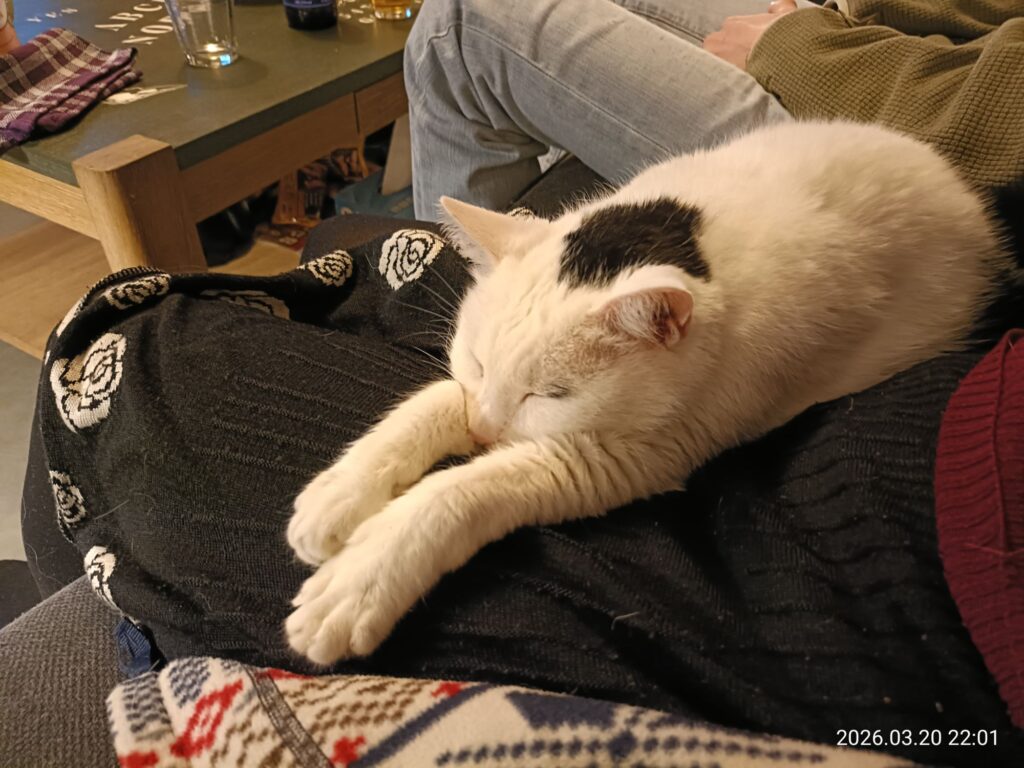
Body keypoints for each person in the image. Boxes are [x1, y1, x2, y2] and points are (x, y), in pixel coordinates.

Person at [404, 0, 1024, 220]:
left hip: (923, 161)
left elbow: (996, 120)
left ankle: (448, 346)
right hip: (930, 59)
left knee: (459, 30)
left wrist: (797, 46)